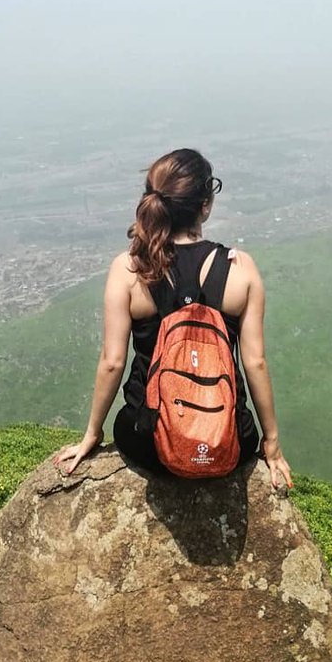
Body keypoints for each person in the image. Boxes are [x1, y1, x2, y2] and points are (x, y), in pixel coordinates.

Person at [52, 148, 292, 489]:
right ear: (204, 206)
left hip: (147, 440)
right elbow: (255, 363)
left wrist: (92, 434)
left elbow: (112, 361)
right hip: (227, 440)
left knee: (132, 420)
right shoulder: (241, 270)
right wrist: (272, 443)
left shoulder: (130, 269)